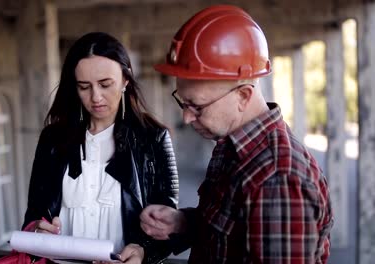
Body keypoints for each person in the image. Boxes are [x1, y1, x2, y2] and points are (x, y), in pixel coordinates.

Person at [140, 5, 333, 264]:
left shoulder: (277, 178)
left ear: (243, 96)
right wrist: (184, 222)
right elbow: (232, 233)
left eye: (197, 106)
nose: (186, 117)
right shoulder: (233, 147)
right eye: (182, 102)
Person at [22, 32, 179, 264]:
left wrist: (143, 250)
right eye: (84, 87)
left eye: (105, 84)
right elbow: (34, 213)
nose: (96, 97)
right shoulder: (52, 139)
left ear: (126, 80)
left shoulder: (153, 139)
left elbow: (167, 225)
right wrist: (36, 229)